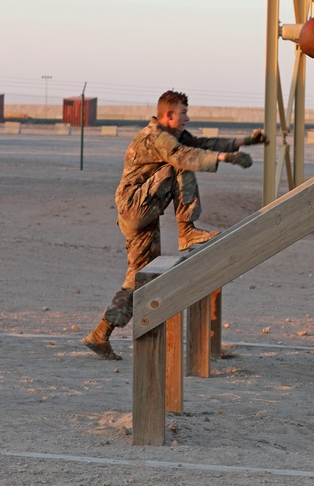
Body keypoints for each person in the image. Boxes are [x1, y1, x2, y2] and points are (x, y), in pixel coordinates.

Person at [83, 90, 265, 360]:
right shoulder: (156, 137)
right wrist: (225, 159)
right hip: (136, 206)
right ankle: (187, 230)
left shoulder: (173, 136)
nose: (187, 118)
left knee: (141, 277)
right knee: (180, 163)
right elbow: (183, 156)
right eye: (182, 113)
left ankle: (101, 333)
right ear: (168, 114)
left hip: (143, 213)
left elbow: (204, 143)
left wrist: (245, 141)